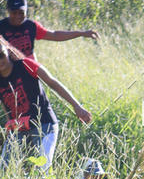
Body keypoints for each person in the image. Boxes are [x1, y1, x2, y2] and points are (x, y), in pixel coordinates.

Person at [0, 39, 91, 172]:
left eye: (1, 55)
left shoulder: (26, 65)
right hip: (19, 129)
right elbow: (6, 105)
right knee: (4, 169)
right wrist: (10, 130)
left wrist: (76, 106)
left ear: (7, 52)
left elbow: (52, 82)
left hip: (44, 124)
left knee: (43, 168)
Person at [0, 0, 98, 58]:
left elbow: (55, 35)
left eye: (21, 12)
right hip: (8, 75)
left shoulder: (31, 26)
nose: (18, 16)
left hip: (30, 72)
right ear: (8, 11)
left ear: (26, 11)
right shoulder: (2, 27)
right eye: (14, 12)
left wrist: (82, 33)